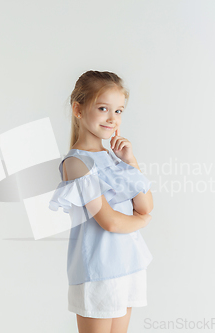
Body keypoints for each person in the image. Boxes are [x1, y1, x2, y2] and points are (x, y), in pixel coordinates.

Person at [49, 70, 154, 333]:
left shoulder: (117, 158)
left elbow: (145, 205)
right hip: (98, 271)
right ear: (78, 109)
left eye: (118, 111)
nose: (111, 118)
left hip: (127, 265)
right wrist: (141, 221)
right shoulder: (76, 163)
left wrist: (130, 161)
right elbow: (109, 221)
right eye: (103, 108)